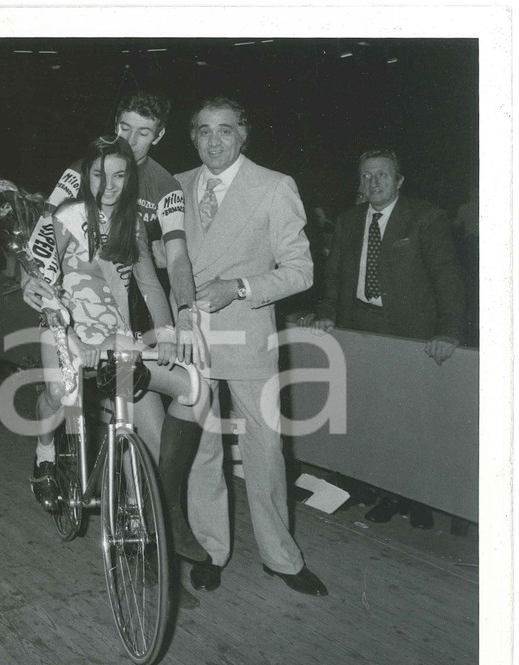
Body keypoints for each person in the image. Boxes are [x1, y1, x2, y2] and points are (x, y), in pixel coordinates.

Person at [22, 91, 208, 586]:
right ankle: (45, 452)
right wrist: (38, 293)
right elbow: (37, 259)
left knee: (187, 392)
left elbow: (155, 280)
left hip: (117, 335)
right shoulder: (69, 206)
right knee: (61, 393)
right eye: (100, 175)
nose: (109, 185)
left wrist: (170, 332)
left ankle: (154, 520)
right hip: (67, 324)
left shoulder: (143, 212)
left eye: (120, 176)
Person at [170, 96, 327, 597]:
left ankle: (281, 557)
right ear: (192, 137)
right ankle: (209, 549)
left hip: (248, 339)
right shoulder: (174, 186)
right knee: (201, 450)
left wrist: (238, 287)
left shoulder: (275, 186)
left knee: (266, 451)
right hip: (191, 339)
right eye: (204, 130)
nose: (214, 140)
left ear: (243, 134)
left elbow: (300, 271)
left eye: (225, 130)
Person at [300, 149, 467, 528]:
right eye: (366, 176)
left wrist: (447, 331)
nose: (373, 182)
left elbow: (448, 278)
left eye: (382, 175)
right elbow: (334, 277)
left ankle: (407, 497)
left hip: (410, 333)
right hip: (359, 328)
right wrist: (327, 313)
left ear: (399, 180)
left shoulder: (426, 217)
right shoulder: (348, 220)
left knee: (408, 417)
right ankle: (364, 485)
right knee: (363, 412)